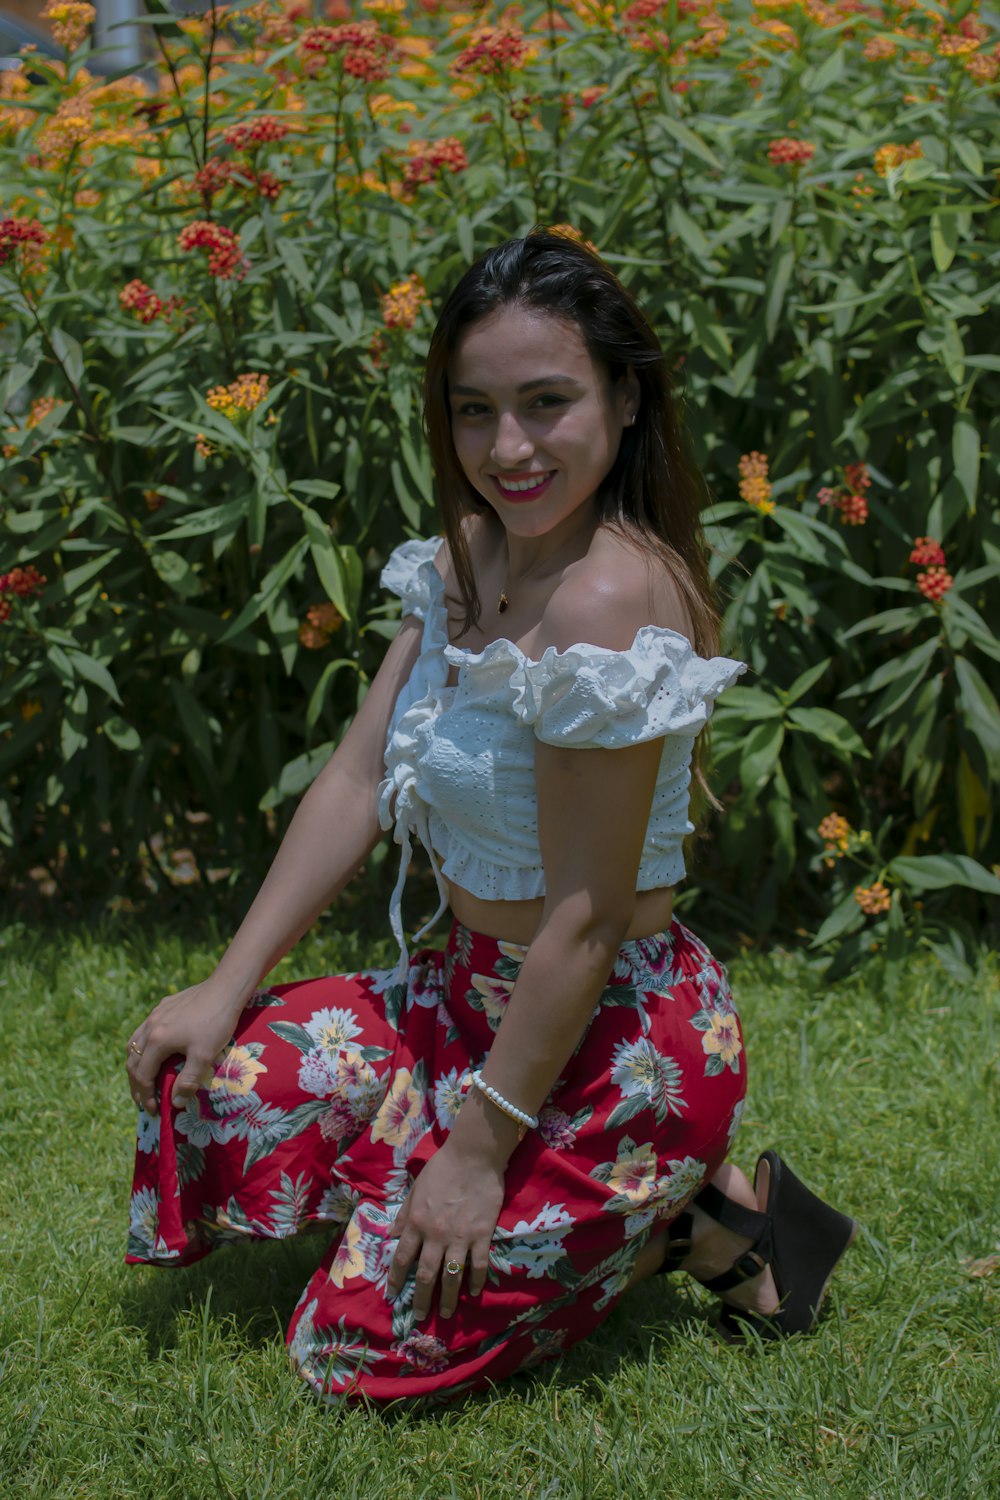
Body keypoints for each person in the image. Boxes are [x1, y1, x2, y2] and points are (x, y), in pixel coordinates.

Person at [124, 231, 856, 1403]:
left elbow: (584, 922)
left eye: (546, 403)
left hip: (611, 1037)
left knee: (348, 1354)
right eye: (475, 411)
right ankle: (662, 1215)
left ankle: (677, 1211)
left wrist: (473, 1154)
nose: (507, 449)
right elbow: (358, 777)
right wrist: (226, 982)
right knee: (217, 1089)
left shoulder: (608, 597)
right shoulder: (469, 554)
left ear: (623, 398)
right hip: (460, 997)